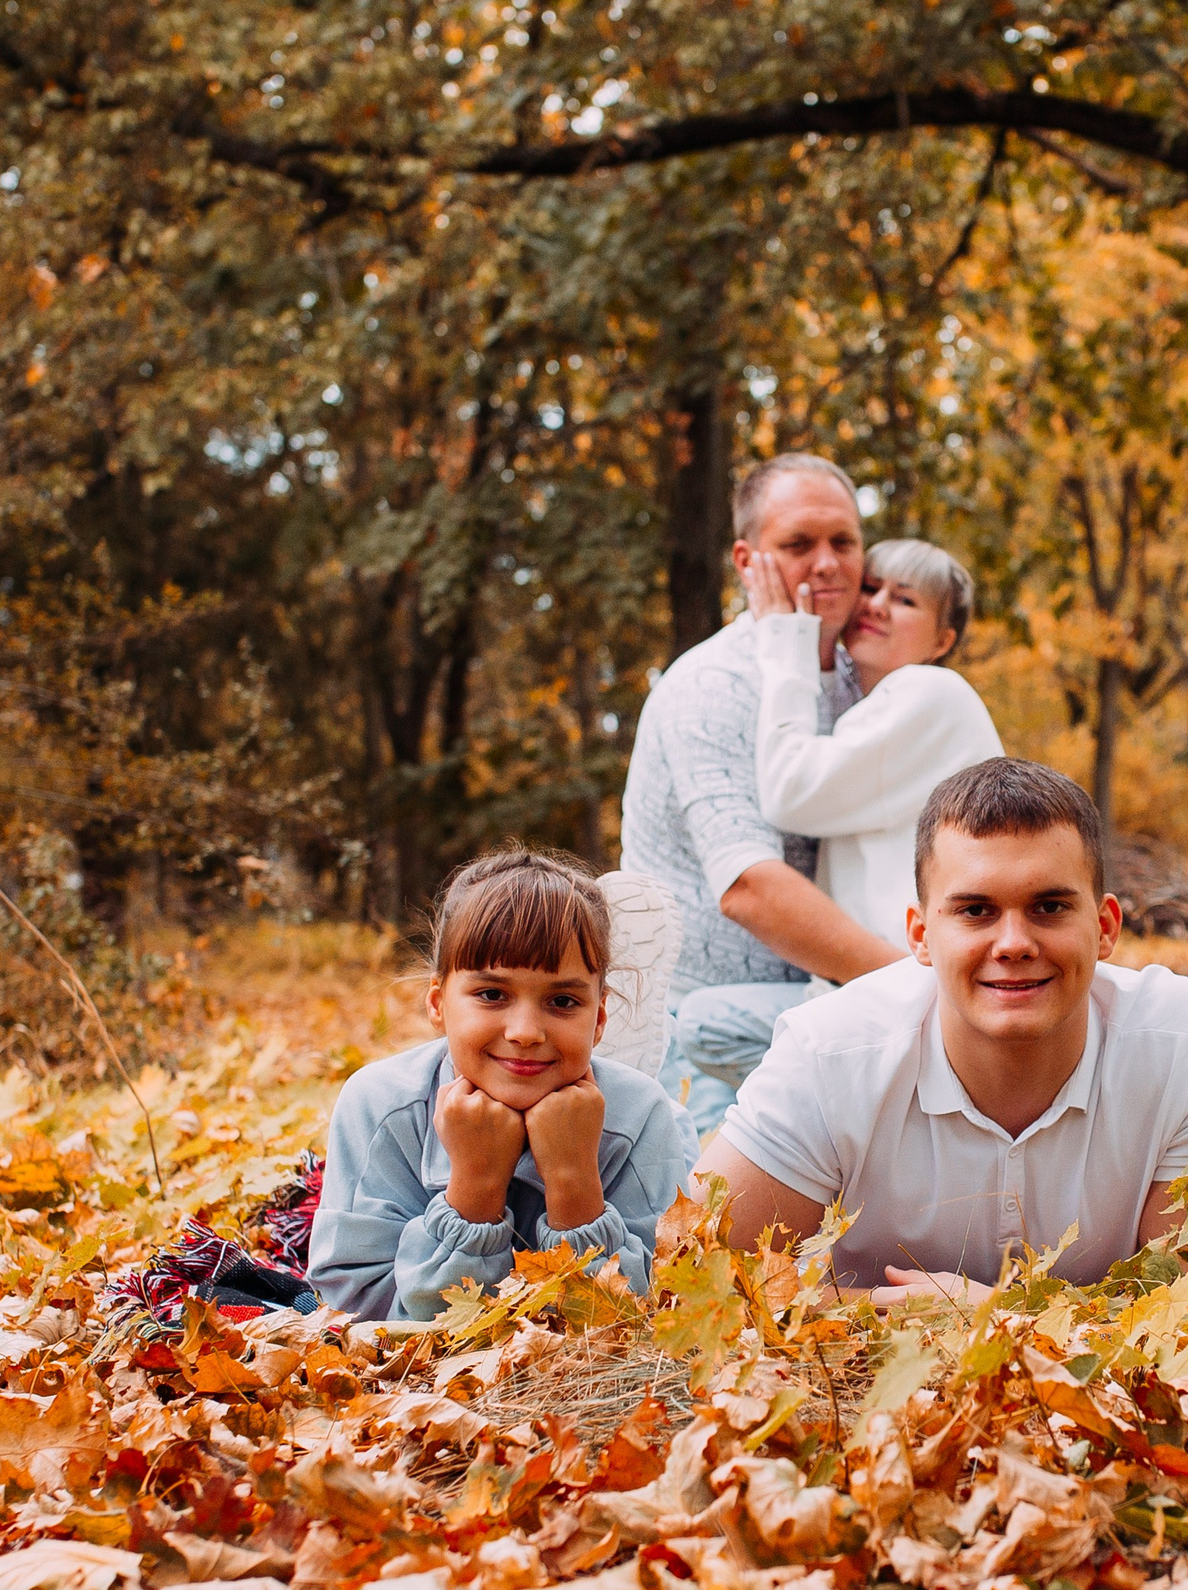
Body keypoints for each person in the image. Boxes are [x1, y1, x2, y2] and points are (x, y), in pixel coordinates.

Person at [695, 758, 1188, 1305]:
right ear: (920, 934)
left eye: (1048, 906)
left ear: (1105, 926)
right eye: (975, 911)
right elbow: (693, 1284)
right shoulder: (830, 1053)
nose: (1013, 943)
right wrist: (879, 1309)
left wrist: (993, 1318)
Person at [619, 454, 904, 1134]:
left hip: (826, 1006)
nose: (829, 563)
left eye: (844, 541)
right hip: (698, 1036)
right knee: (719, 1229)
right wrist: (923, 988)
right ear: (749, 562)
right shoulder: (711, 686)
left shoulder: (870, 676)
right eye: (799, 545)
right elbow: (749, 887)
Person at [674, 538, 1005, 1088]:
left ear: (943, 639)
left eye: (905, 600)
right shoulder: (881, 706)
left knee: (711, 1024)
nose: (875, 604)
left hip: (919, 990)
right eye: (871, 588)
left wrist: (787, 643)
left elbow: (790, 790)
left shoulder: (932, 694)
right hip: (890, 984)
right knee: (715, 1025)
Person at [308, 850, 694, 1321]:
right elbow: (353, 1309)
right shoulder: (379, 1103)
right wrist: (474, 1188)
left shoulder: (642, 1116)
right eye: (492, 994)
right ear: (437, 1004)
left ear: (599, 1018)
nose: (525, 1032)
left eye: (563, 1000)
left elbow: (651, 1313)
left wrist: (574, 1184)